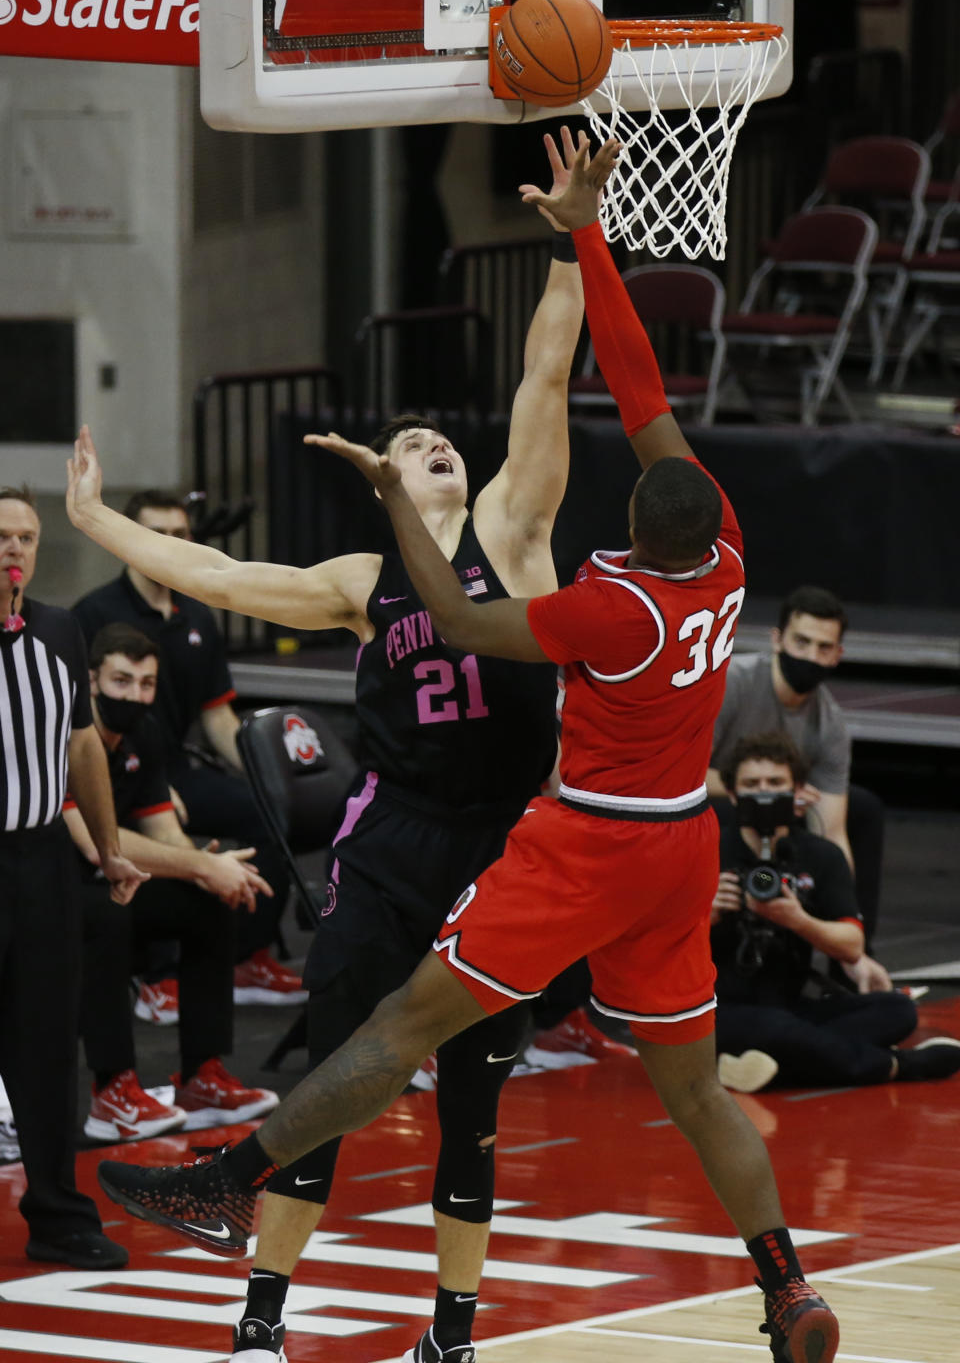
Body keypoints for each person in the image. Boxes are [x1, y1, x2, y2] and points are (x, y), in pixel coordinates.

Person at [87, 141, 841, 1363]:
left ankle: (231, 1185)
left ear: (634, 537)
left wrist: (392, 489)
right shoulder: (725, 553)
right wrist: (589, 235)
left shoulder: (603, 601)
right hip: (661, 847)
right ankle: (788, 1288)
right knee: (693, 1090)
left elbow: (469, 601)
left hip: (573, 843)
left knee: (396, 1039)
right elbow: (642, 390)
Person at [68, 127, 592, 1363]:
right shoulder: (365, 579)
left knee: (471, 1103)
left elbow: (547, 371)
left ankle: (450, 1338)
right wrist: (95, 519)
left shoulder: (516, 535)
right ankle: (260, 1324)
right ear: (384, 479)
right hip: (395, 843)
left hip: (501, 850)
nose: (434, 448)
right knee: (338, 1079)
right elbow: (216, 569)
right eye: (411, 446)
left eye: (440, 443)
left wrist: (575, 236)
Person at [72, 490, 306, 1010]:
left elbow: (217, 716)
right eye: (158, 533)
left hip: (172, 765)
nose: (171, 545)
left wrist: (267, 777)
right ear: (130, 541)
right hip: (104, 770)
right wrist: (155, 786)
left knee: (265, 813)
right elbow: (79, 722)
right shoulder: (93, 613)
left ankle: (247, 959)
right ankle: (157, 973)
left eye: (180, 534)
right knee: (149, 844)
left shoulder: (198, 613)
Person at [0, 485, 145, 1269]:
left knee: (50, 1044)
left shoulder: (59, 629)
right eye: (1, 537)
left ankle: (58, 1215)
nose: (15, 549)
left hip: (42, 859)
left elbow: (83, 746)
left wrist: (109, 847)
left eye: (26, 537)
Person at [69, 622, 280, 1141]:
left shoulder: (146, 732)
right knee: (108, 913)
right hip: (54, 886)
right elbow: (95, 843)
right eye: (121, 681)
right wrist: (202, 865)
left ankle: (201, 1078)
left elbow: (162, 826)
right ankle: (112, 1093)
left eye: (146, 684)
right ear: (92, 681)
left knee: (206, 901)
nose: (134, 696)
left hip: (116, 879)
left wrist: (204, 869)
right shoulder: (68, 737)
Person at [711, 732, 960, 1093]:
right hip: (723, 1009)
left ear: (797, 790)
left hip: (792, 1005)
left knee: (897, 1010)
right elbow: (658, 947)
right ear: (732, 794)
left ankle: (768, 1066)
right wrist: (707, 914)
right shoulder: (705, 850)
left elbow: (851, 945)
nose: (764, 792)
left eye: (775, 782)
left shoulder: (821, 855)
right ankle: (897, 1065)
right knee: (777, 1029)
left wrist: (798, 920)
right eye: (752, 784)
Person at [707, 585, 890, 994]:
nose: (810, 656)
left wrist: (845, 917)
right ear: (777, 640)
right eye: (801, 642)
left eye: (824, 647)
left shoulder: (831, 725)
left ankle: (856, 957)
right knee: (722, 815)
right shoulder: (731, 684)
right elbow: (677, 776)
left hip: (785, 815)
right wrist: (762, 792)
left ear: (837, 655)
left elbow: (834, 828)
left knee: (863, 809)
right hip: (714, 802)